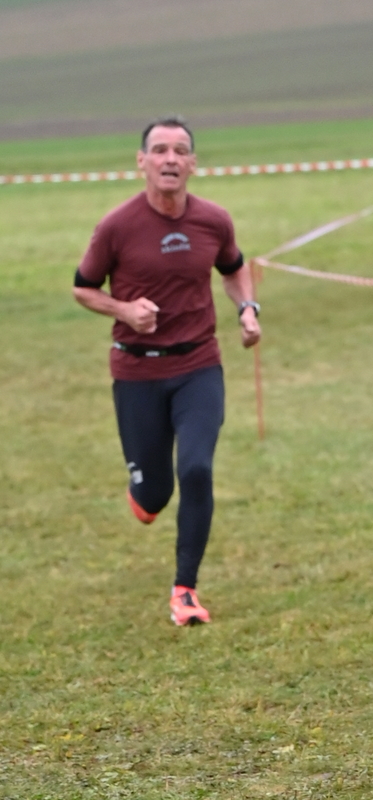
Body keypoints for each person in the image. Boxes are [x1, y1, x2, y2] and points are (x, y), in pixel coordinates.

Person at [73, 117, 260, 624]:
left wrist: (248, 309)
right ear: (142, 161)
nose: (170, 159)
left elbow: (234, 268)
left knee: (196, 469)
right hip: (136, 371)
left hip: (199, 365)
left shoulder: (214, 220)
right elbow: (83, 287)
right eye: (159, 150)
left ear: (193, 163)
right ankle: (144, 492)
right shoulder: (116, 227)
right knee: (155, 495)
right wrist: (124, 310)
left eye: (180, 150)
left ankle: (185, 591)